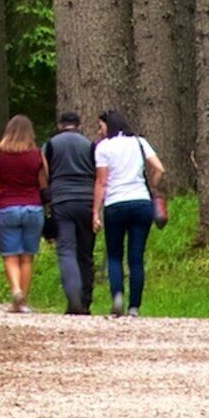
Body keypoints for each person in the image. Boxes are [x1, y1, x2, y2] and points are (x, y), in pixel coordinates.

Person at [93, 108, 170, 315]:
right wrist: (152, 186)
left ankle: (117, 295)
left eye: (100, 126)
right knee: (136, 257)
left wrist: (95, 212)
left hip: (115, 203)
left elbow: (102, 182)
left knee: (114, 255)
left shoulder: (103, 147)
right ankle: (134, 306)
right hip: (141, 202)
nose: (99, 131)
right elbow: (159, 169)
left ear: (109, 126)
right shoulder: (139, 142)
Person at [42, 110, 102, 315]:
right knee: (85, 253)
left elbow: (44, 172)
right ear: (78, 124)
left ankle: (73, 297)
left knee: (67, 250)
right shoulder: (90, 145)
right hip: (86, 201)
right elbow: (97, 173)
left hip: (62, 201)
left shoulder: (51, 145)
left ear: (60, 125)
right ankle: (85, 301)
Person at [0, 115, 47, 312]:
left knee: (10, 255)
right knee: (27, 257)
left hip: (8, 207)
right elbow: (43, 182)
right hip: (33, 207)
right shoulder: (37, 154)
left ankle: (16, 290)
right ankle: (23, 301)